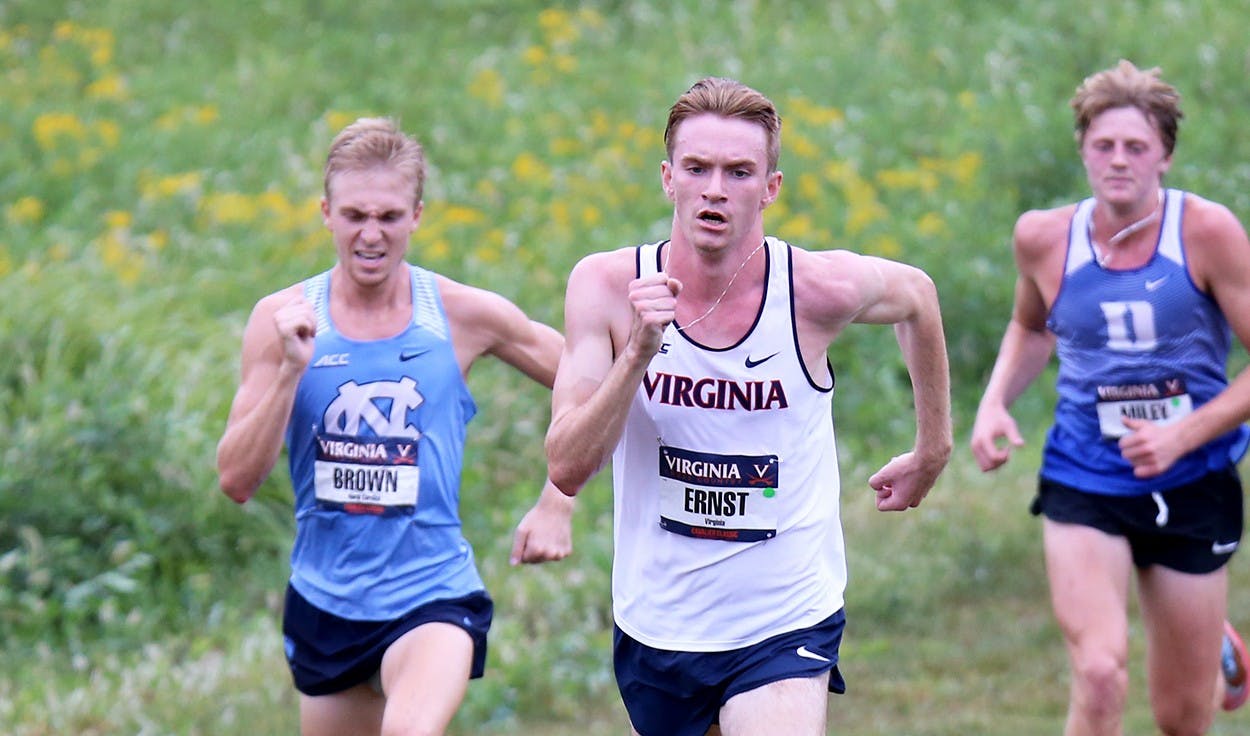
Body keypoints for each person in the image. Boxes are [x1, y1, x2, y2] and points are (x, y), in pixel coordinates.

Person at [543, 77, 953, 736]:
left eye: (739, 172)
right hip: (660, 622)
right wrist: (637, 356)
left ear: (770, 189)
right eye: (698, 168)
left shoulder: (815, 290)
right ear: (668, 178)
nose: (715, 189)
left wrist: (933, 448)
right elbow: (567, 465)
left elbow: (918, 296)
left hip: (783, 616)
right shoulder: (606, 287)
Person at [215, 117, 573, 736]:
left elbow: (595, 385)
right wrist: (288, 373)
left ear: (417, 217)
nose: (371, 235)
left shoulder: (461, 314)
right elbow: (237, 479)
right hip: (326, 601)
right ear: (326, 213)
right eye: (355, 215)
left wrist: (558, 499)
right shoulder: (281, 320)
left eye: (389, 216)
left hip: (431, 594)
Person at [970, 59, 1250, 735]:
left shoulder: (1207, 233)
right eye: (1103, 146)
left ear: (1165, 157)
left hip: (1193, 479)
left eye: (1136, 147)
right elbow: (1030, 328)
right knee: (1098, 674)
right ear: (1083, 150)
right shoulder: (1043, 237)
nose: (1118, 160)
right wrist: (995, 400)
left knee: (1181, 719)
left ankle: (1212, 641)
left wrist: (1186, 433)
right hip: (1084, 472)